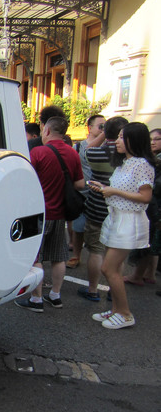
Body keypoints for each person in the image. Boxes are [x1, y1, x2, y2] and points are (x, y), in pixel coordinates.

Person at [89, 122, 155, 329]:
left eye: (121, 137)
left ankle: (125, 314)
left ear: (133, 140)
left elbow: (145, 196)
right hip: (116, 217)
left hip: (128, 221)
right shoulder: (124, 162)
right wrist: (105, 188)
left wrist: (114, 192)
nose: (116, 141)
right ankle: (116, 309)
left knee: (109, 268)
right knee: (114, 268)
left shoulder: (142, 164)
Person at [15, 116, 85, 312]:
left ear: (46, 130)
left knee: (35, 257)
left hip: (36, 212)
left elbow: (24, 179)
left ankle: (36, 300)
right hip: (60, 213)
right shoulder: (72, 154)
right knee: (58, 256)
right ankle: (55, 295)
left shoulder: (38, 152)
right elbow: (80, 184)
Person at [77, 117, 128, 301]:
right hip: (119, 210)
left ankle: (92, 290)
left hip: (96, 208)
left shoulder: (96, 153)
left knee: (95, 251)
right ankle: (114, 291)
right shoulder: (128, 156)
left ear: (105, 131)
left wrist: (104, 133)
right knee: (115, 254)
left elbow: (88, 149)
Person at [67, 115, 107, 269]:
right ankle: (76, 255)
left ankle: (95, 259)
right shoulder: (78, 147)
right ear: (89, 128)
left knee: (97, 232)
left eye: (105, 126)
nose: (103, 129)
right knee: (78, 227)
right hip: (82, 194)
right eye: (100, 126)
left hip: (99, 196)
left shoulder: (108, 147)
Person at [123, 127, 161, 285]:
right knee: (151, 242)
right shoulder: (152, 160)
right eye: (151, 139)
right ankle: (149, 274)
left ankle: (138, 275)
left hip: (154, 207)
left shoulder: (146, 163)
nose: (153, 142)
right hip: (154, 207)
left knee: (146, 242)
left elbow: (149, 194)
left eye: (157, 139)